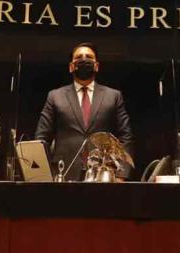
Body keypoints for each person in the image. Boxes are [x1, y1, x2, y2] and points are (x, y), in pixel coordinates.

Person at [34, 43, 133, 179]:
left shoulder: (113, 96)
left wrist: (121, 175)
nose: (84, 59)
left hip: (103, 174)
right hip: (63, 172)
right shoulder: (55, 96)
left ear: (97, 66)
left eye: (89, 57)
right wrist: (40, 175)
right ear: (71, 67)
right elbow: (42, 138)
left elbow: (125, 137)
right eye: (79, 57)